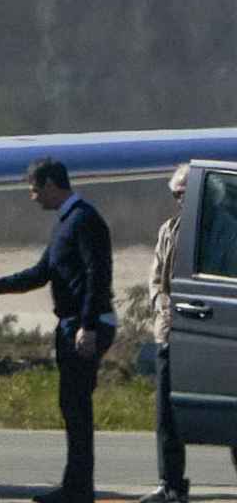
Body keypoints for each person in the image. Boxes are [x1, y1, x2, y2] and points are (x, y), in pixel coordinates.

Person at [0, 157, 116, 503]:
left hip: (85, 325)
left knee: (76, 405)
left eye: (34, 189)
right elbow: (41, 272)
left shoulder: (85, 220)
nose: (32, 197)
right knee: (71, 406)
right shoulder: (65, 224)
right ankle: (75, 485)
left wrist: (87, 325)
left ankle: (79, 489)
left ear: (51, 185)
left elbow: (96, 275)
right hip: (71, 324)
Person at [140, 164, 191, 503]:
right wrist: (161, 300)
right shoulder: (168, 230)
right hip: (169, 330)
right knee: (167, 414)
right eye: (176, 195)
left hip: (207, 330)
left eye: (184, 194)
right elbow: (156, 276)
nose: (179, 201)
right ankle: (170, 483)